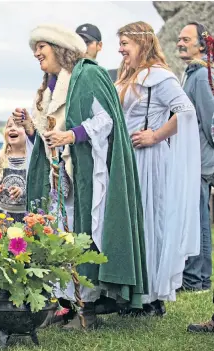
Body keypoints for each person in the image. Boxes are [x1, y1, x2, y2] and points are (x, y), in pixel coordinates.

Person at [13, 24, 147, 329]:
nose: (36, 53)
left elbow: (106, 119)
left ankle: (85, 307)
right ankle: (65, 304)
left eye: (41, 47)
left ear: (58, 47)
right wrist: (34, 129)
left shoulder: (88, 74)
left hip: (88, 174)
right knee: (59, 236)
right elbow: (50, 136)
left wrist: (71, 136)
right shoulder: (53, 84)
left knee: (82, 237)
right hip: (60, 178)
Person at [115, 21, 201, 316]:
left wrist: (155, 135)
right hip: (127, 159)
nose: (121, 49)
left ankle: (152, 297)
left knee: (149, 222)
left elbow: (186, 111)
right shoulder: (128, 75)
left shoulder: (160, 77)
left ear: (142, 43)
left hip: (149, 159)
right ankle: (133, 291)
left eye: (125, 43)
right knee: (132, 224)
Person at [178, 22, 214, 293]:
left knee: (199, 219)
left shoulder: (200, 76)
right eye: (179, 39)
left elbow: (209, 119)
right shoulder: (192, 73)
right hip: (196, 159)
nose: (180, 43)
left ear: (202, 44)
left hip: (200, 160)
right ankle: (197, 278)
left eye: (186, 39)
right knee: (197, 217)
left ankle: (197, 280)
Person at [0, 116, 32, 222]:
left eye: (19, 126)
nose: (12, 128)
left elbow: (37, 184)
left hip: (26, 215)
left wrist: (22, 191)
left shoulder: (32, 158)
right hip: (2, 214)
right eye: (9, 126)